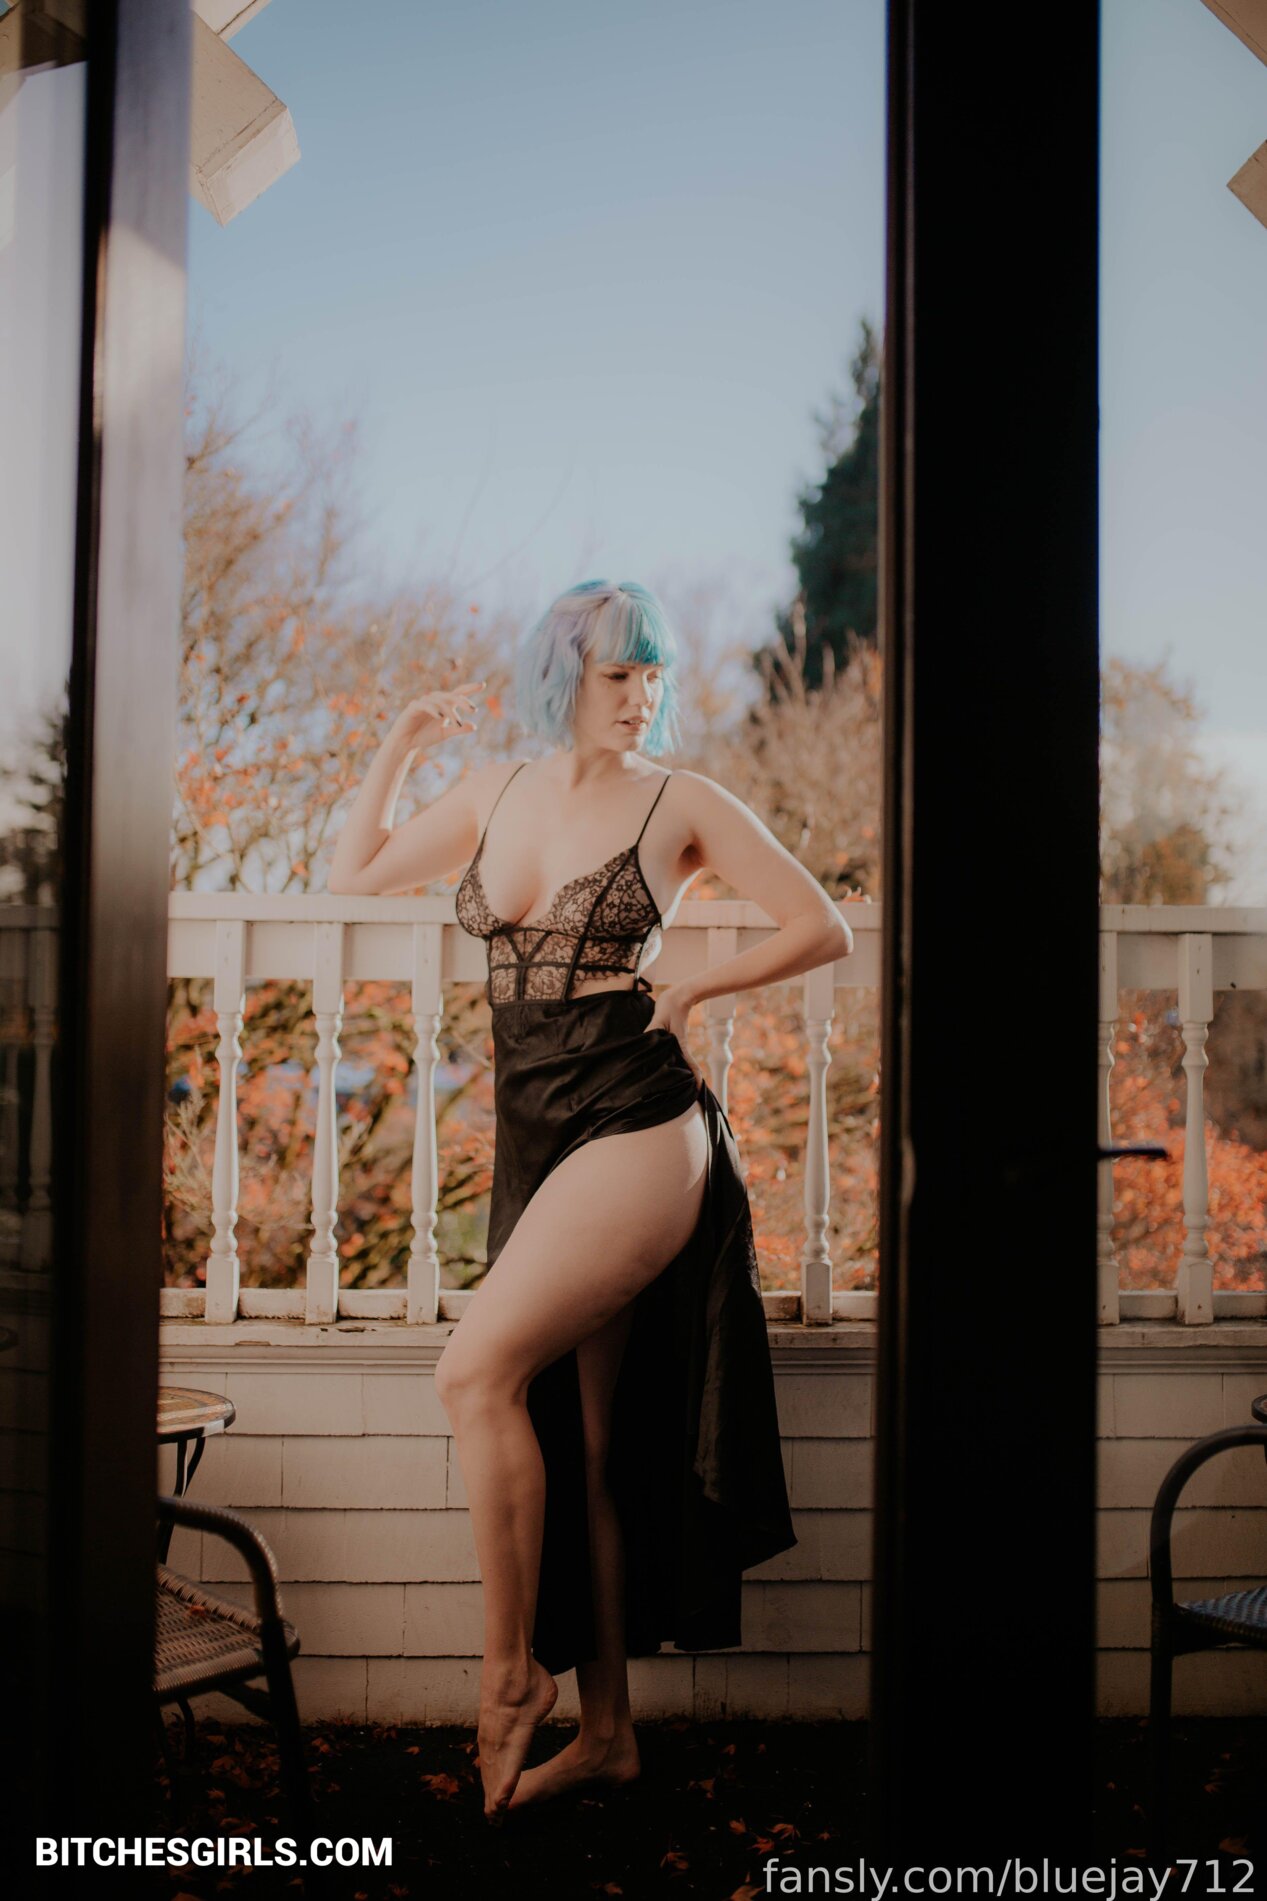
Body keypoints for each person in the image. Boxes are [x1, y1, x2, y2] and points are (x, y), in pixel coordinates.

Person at [328, 578, 853, 1823]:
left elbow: (820, 924)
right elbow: (358, 871)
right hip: (536, 1130)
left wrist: (697, 990)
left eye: (653, 674)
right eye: (621, 673)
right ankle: (608, 1732)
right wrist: (401, 738)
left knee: (472, 1374)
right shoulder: (491, 789)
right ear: (564, 674)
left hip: (635, 1119)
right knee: (590, 1444)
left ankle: (511, 1670)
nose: (642, 695)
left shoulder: (682, 799)